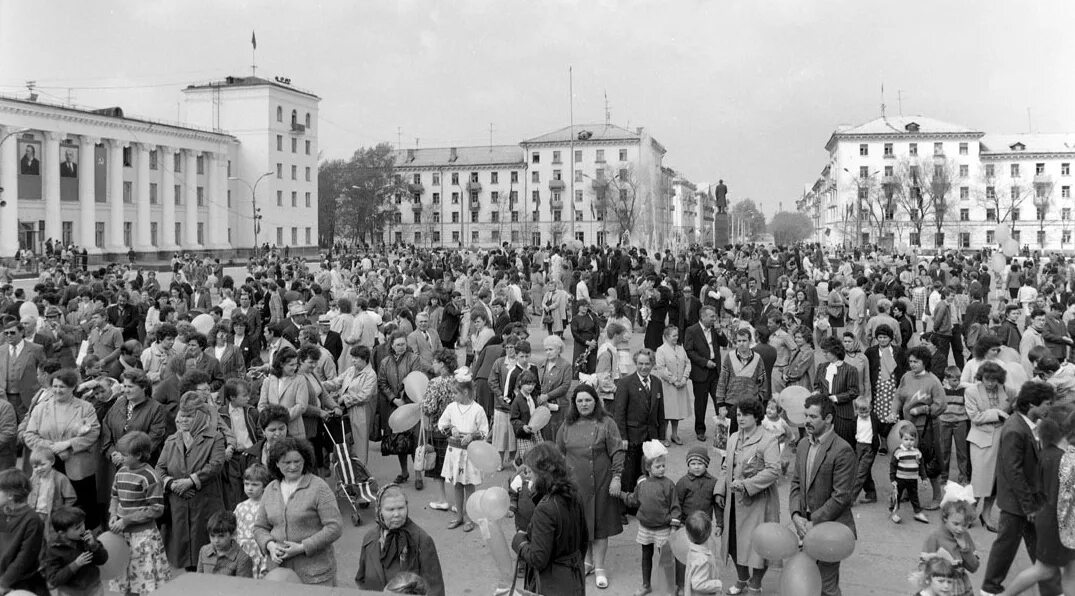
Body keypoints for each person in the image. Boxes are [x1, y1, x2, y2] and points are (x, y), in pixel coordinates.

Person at [980, 381, 1063, 596]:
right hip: (1018, 503)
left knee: (1039, 548)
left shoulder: (1026, 425)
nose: (1049, 408)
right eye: (1047, 403)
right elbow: (1013, 471)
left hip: (1028, 502)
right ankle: (989, 588)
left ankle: (1052, 587)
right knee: (1006, 547)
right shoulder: (1016, 429)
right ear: (1032, 404)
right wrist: (1029, 506)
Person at [555, 383, 624, 590]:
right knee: (581, 525)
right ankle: (586, 562)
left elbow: (618, 451)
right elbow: (558, 454)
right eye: (580, 401)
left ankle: (600, 567)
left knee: (600, 525)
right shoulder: (566, 425)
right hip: (575, 485)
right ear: (574, 404)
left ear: (596, 401)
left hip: (602, 482)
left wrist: (617, 477)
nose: (584, 404)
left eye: (588, 400)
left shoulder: (606, 423)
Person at [789, 395, 856, 596]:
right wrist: (795, 515)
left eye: (813, 416)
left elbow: (841, 497)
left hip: (831, 529)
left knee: (826, 586)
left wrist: (813, 522)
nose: (807, 421)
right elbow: (796, 483)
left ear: (828, 419)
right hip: (804, 525)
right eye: (805, 415)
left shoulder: (843, 450)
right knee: (806, 581)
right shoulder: (802, 445)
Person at [254, 437, 343, 586]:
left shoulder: (318, 487)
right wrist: (270, 545)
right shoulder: (270, 489)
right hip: (279, 573)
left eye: (297, 461)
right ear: (276, 463)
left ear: (305, 461)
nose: (293, 466)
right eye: (287, 462)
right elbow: (260, 527)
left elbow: (335, 527)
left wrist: (302, 547)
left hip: (314, 574)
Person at [714, 398, 781, 594]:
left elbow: (773, 471)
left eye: (745, 414)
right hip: (734, 502)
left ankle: (756, 583)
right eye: (738, 415)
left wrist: (746, 485)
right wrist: (720, 489)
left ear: (757, 416)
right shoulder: (734, 436)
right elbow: (726, 465)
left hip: (759, 503)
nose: (740, 418)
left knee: (760, 545)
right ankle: (742, 578)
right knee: (733, 542)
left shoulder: (768, 439)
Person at [22, 368, 101, 530]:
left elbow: (93, 433)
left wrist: (68, 444)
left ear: (73, 387)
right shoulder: (40, 409)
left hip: (78, 468)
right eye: (55, 386)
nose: (57, 390)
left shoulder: (86, 408)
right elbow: (29, 435)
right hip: (47, 466)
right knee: (50, 506)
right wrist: (53, 447)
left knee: (82, 508)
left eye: (62, 387)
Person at [156, 392, 226, 571]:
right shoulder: (171, 440)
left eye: (190, 416)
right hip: (178, 505)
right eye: (182, 416)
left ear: (201, 416)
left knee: (207, 554)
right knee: (184, 555)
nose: (184, 420)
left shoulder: (215, 438)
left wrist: (192, 481)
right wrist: (172, 484)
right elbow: (159, 469)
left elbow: (216, 465)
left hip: (205, 503)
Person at [512, 442, 588, 596]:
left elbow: (538, 559)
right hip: (574, 577)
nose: (528, 476)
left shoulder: (545, 508)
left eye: (531, 471)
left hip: (552, 583)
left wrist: (519, 542)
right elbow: (584, 540)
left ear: (542, 474)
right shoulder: (574, 495)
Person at [107, 431, 171, 596]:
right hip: (122, 535)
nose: (120, 458)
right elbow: (114, 496)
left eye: (125, 455)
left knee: (143, 582)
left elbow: (156, 508)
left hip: (142, 537)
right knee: (125, 580)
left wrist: (127, 520)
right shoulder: (121, 472)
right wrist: (114, 515)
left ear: (139, 455)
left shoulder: (150, 477)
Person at [355, 484, 445, 596]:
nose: (396, 514)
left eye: (401, 508)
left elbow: (435, 589)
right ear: (379, 510)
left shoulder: (421, 540)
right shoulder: (370, 538)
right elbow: (361, 579)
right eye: (390, 509)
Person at [620, 439, 680, 596]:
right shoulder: (641, 482)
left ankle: (670, 586)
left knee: (666, 558)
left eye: (663, 466)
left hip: (663, 529)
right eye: (658, 466)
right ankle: (646, 584)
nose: (662, 469)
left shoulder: (668, 485)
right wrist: (622, 495)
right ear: (647, 467)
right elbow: (634, 499)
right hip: (645, 527)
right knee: (646, 555)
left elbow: (675, 508)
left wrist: (673, 528)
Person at [892, 345, 946, 509]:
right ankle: (908, 492)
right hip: (908, 427)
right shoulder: (906, 377)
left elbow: (942, 405)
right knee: (907, 458)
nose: (912, 365)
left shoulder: (933, 381)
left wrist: (923, 409)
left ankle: (937, 497)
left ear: (925, 362)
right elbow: (898, 396)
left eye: (916, 362)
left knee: (929, 462)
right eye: (910, 361)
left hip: (927, 429)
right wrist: (894, 411)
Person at [436, 367, 488, 532]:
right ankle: (459, 516)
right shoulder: (452, 407)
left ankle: (471, 517)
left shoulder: (477, 410)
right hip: (454, 452)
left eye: (456, 393)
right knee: (457, 484)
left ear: (466, 392)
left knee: (469, 485)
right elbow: (441, 424)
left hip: (469, 453)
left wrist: (472, 436)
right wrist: (451, 428)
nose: (453, 396)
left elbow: (485, 431)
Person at [964, 360, 1010, 533]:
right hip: (981, 440)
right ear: (980, 377)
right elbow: (974, 417)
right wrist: (997, 413)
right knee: (979, 480)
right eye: (987, 379)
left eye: (994, 380)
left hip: (1001, 439)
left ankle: (987, 515)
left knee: (996, 481)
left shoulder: (1004, 390)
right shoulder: (971, 391)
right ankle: (969, 514)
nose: (991, 383)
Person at [614, 349, 665, 495]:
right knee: (630, 472)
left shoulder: (657, 382)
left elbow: (660, 412)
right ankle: (626, 505)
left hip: (651, 437)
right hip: (632, 437)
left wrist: (660, 436)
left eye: (647, 364)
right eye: (640, 364)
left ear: (652, 364)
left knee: (647, 470)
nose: (644, 367)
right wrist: (622, 437)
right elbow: (619, 413)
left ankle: (643, 501)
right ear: (635, 363)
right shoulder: (625, 383)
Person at [378, 331, 425, 487]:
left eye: (403, 344)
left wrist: (404, 398)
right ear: (391, 345)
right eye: (398, 344)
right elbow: (382, 383)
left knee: (414, 441)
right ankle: (404, 472)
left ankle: (418, 475)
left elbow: (414, 378)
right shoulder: (385, 362)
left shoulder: (414, 359)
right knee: (400, 441)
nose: (401, 347)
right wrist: (394, 399)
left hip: (411, 405)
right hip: (395, 406)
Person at [417, 348, 457, 512]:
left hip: (437, 429)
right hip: (456, 430)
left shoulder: (435, 383)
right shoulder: (457, 381)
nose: (432, 365)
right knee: (455, 466)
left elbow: (430, 407)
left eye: (434, 362)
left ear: (442, 364)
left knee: (438, 466)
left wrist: (422, 405)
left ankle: (442, 500)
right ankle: (458, 502)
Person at [322, 345, 376, 465]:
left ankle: (361, 470)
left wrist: (345, 398)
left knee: (360, 443)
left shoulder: (371, 375)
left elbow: (365, 396)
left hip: (360, 412)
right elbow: (337, 382)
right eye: (353, 358)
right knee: (343, 440)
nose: (353, 361)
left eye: (356, 358)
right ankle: (345, 468)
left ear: (364, 359)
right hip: (344, 411)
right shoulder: (351, 370)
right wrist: (321, 384)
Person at [0, 468, 49, 596]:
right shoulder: (1, 512)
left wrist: (3, 583)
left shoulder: (32, 520)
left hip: (22, 582)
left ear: (10, 495)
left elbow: (24, 558)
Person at [920, 492, 980, 596]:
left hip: (961, 586)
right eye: (956, 524)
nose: (960, 529)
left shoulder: (965, 536)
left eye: (965, 525)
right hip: (941, 586)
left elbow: (973, 567)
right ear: (945, 518)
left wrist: (965, 549)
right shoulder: (935, 536)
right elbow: (923, 566)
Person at [42, 506, 109, 596]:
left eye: (83, 524)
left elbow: (102, 560)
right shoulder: (54, 549)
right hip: (69, 592)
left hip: (94, 588)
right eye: (77, 528)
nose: (83, 529)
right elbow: (53, 580)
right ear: (62, 533)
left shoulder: (87, 538)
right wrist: (76, 565)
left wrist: (94, 546)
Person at [684, 306, 728, 441]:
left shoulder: (715, 330)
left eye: (715, 316)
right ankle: (700, 430)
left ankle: (722, 430)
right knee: (700, 404)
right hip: (701, 371)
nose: (714, 319)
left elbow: (725, 343)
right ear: (703, 317)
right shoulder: (692, 330)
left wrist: (720, 332)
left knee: (719, 402)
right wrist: (704, 362)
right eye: (712, 316)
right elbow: (689, 350)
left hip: (715, 371)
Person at [810, 337, 860, 449]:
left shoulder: (850, 369)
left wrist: (835, 398)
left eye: (826, 352)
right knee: (824, 445)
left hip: (843, 414)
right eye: (823, 351)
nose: (824, 354)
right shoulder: (822, 367)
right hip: (825, 412)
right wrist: (817, 392)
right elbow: (817, 385)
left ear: (835, 352)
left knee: (843, 446)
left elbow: (854, 392)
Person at [257, 346, 309, 439]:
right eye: (291, 365)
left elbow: (301, 406)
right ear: (281, 364)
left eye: (296, 364)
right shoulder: (268, 381)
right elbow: (262, 405)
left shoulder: (300, 380)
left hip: (294, 432)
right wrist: (271, 420)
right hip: (273, 434)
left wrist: (282, 419)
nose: (295, 367)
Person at [28, 447, 77, 542]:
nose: (39, 469)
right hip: (36, 514)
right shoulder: (33, 479)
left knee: (50, 538)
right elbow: (27, 495)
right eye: (35, 467)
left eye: (43, 464)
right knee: (35, 538)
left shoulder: (61, 478)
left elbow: (71, 497)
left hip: (51, 515)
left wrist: (62, 512)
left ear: (52, 462)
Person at [654, 326, 691, 445]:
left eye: (677, 335)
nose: (676, 337)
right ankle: (663, 436)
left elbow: (688, 363)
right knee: (666, 413)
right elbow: (661, 368)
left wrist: (684, 378)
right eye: (673, 335)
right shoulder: (661, 350)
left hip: (681, 384)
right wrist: (674, 380)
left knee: (677, 412)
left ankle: (674, 434)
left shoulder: (681, 349)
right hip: (668, 386)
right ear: (666, 337)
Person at [234, 463, 271, 579]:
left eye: (255, 485)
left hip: (260, 550)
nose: (249, 488)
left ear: (264, 486)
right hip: (242, 550)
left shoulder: (268, 506)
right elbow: (234, 529)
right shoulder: (240, 506)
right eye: (247, 484)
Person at [888, 424, 929, 524]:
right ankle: (894, 512)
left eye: (911, 439)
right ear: (901, 439)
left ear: (915, 440)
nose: (909, 442)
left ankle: (918, 512)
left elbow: (921, 466)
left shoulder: (917, 452)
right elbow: (893, 465)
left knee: (914, 496)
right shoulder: (898, 452)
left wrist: (924, 478)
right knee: (897, 496)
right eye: (906, 439)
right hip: (900, 479)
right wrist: (892, 479)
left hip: (913, 479)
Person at [937, 365, 970, 486]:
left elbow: (967, 405)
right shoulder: (941, 390)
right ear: (947, 379)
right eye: (954, 380)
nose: (957, 382)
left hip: (960, 422)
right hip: (944, 422)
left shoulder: (963, 390)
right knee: (944, 450)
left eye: (959, 379)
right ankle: (944, 476)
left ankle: (963, 477)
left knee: (962, 451)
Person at [196, 511, 254, 577]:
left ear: (233, 534)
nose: (216, 540)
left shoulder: (243, 559)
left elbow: (243, 586)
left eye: (221, 536)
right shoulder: (204, 551)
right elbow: (198, 579)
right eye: (212, 536)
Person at [537, 335, 572, 441]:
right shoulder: (541, 364)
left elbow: (565, 386)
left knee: (558, 434)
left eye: (551, 349)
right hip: (543, 405)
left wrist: (548, 396)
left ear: (558, 349)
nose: (548, 352)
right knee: (545, 434)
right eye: (546, 350)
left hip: (559, 405)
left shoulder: (566, 365)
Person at [683, 511, 723, 596]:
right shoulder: (703, 560)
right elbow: (698, 584)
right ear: (709, 533)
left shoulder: (692, 550)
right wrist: (717, 584)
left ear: (688, 535)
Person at [849, 397, 880, 504]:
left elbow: (881, 430)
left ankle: (850, 499)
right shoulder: (854, 421)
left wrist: (890, 422)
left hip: (870, 448)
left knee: (860, 473)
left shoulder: (874, 418)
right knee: (864, 471)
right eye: (861, 412)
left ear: (870, 408)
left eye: (866, 411)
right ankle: (871, 495)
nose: (864, 414)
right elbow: (852, 435)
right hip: (858, 447)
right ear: (856, 410)